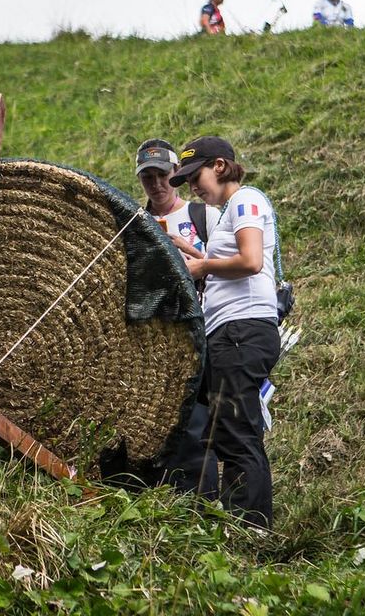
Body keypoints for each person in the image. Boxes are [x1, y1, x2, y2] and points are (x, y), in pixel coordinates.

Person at [169, 136, 281, 528]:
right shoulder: (231, 210)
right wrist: (194, 254)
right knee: (228, 432)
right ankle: (241, 524)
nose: (192, 187)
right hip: (230, 331)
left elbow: (250, 261)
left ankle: (252, 529)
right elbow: (231, 265)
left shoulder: (246, 200)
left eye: (194, 176)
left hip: (242, 330)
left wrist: (202, 269)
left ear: (219, 166)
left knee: (238, 432)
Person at [100, 139, 221, 492]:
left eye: (161, 174)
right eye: (146, 177)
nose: (155, 184)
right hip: (154, 339)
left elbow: (223, 268)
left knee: (199, 418)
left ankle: (202, 496)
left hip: (204, 330)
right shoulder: (135, 224)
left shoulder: (202, 216)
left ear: (175, 174)